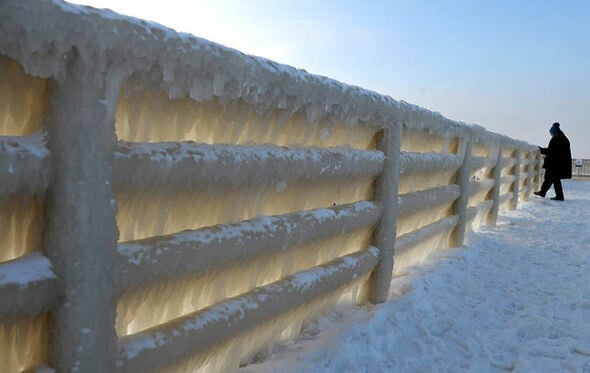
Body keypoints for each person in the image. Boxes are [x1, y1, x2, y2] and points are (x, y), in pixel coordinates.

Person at [534, 122, 572, 201]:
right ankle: (544, 192)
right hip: (557, 163)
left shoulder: (558, 138)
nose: (551, 134)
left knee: (552, 178)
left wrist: (541, 150)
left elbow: (552, 151)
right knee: (551, 178)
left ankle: (557, 196)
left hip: (556, 163)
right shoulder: (561, 137)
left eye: (551, 133)